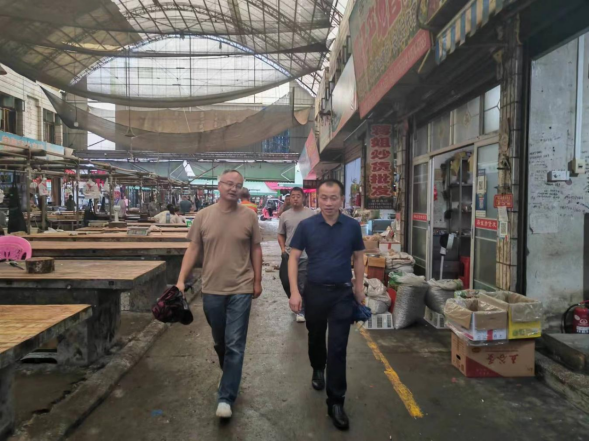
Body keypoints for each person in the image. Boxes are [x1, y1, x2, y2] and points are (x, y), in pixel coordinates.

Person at [176, 170, 263, 420]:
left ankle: (226, 397)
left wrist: (257, 280)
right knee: (220, 340)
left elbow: (256, 249)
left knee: (235, 343)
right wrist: (181, 280)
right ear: (219, 185)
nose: (234, 188)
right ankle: (228, 374)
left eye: (238, 185)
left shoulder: (249, 216)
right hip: (212, 288)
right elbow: (193, 248)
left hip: (241, 287)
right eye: (229, 183)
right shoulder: (203, 216)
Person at [288, 179, 366, 432]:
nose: (329, 203)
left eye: (334, 198)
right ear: (317, 199)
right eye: (324, 197)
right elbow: (293, 257)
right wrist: (294, 291)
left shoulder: (352, 226)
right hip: (315, 292)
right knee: (315, 335)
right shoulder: (307, 226)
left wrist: (359, 288)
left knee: (338, 347)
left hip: (342, 293)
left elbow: (358, 257)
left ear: (342, 199)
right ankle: (317, 368)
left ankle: (336, 402)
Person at [278, 187, 314, 323]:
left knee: (302, 282)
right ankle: (295, 299)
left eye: (298, 196)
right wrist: (283, 249)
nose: (295, 198)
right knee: (286, 280)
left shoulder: (311, 214)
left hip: (305, 255)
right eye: (293, 196)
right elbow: (281, 234)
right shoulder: (284, 215)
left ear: (303, 198)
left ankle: (301, 309)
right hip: (289, 253)